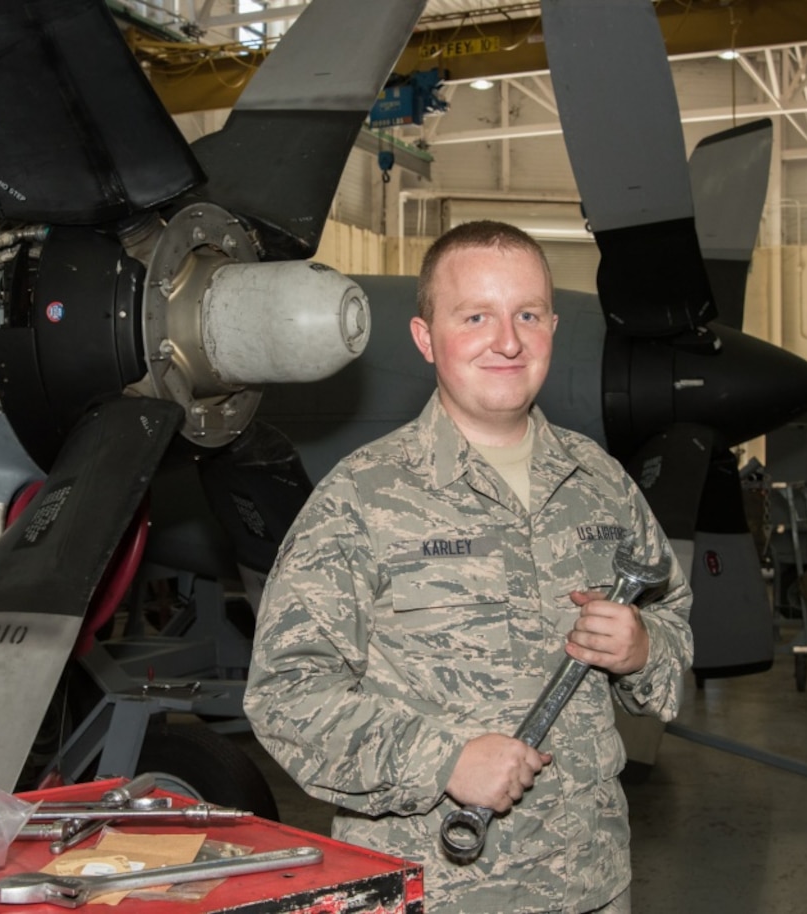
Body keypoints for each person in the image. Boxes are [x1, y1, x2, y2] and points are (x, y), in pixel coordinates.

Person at [242, 220, 693, 914]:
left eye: (527, 315)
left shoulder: (601, 483)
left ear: (552, 327)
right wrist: (441, 760)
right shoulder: (361, 499)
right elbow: (285, 697)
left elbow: (672, 619)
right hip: (440, 892)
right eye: (475, 315)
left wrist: (643, 649)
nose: (506, 341)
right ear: (426, 339)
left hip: (593, 883)